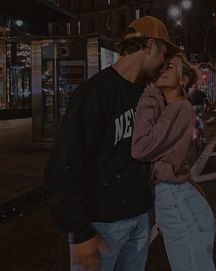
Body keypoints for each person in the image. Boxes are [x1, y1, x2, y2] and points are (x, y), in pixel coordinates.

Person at [43, 16, 179, 271]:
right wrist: (80, 232)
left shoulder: (145, 94)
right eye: (163, 52)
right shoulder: (94, 94)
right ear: (149, 46)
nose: (163, 61)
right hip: (100, 225)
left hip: (139, 220)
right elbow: (62, 167)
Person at [132, 53, 216, 271]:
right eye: (161, 68)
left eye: (169, 67)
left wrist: (150, 93)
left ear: (183, 80)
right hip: (180, 195)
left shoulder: (178, 108)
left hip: (173, 198)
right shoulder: (175, 107)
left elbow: (140, 148)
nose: (162, 71)